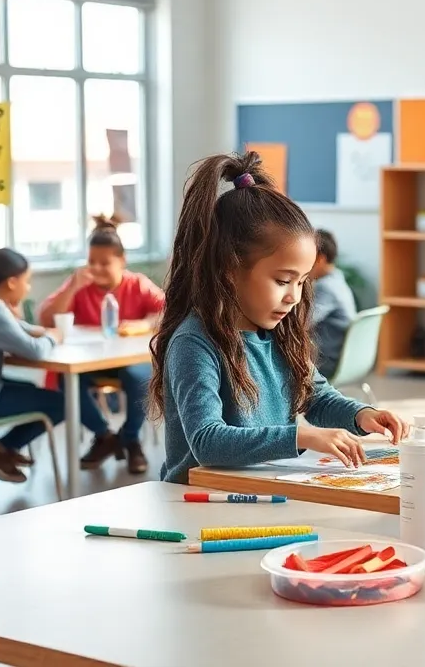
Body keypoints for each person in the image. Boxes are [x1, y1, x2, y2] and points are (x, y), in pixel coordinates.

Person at [152, 152, 409, 485]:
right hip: (199, 501)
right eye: (283, 280)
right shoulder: (195, 342)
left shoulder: (277, 334)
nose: (295, 296)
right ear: (230, 271)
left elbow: (316, 396)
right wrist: (300, 436)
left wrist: (363, 415)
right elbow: (207, 442)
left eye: (301, 281)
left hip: (260, 492)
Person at [0, 249, 105, 484]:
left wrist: (41, 331)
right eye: (27, 282)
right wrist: (53, 337)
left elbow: (17, 326)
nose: (28, 288)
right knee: (61, 403)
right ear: (11, 282)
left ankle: (0, 449)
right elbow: (34, 351)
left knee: (28, 386)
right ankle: (0, 448)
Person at [38, 214, 164, 474]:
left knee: (139, 378)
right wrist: (72, 287)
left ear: (122, 261)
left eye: (104, 263)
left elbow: (171, 311)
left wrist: (143, 324)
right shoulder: (80, 286)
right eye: (91, 262)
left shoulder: (137, 284)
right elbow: (46, 317)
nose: (96, 269)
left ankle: (129, 438)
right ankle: (105, 437)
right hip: (90, 363)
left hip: (129, 362)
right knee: (65, 381)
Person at [308, 229, 357, 378]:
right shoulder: (338, 280)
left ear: (320, 259)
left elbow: (304, 322)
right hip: (348, 358)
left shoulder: (326, 287)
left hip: (328, 360)